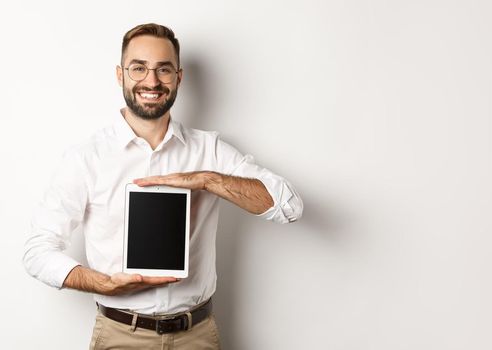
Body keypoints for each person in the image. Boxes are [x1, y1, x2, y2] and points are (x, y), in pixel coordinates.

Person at [22, 23, 303, 349]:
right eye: (138, 68)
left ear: (178, 78)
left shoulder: (209, 150)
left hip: (196, 335)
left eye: (163, 70)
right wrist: (104, 283)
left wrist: (207, 180)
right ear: (120, 74)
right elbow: (37, 251)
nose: (151, 81)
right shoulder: (87, 157)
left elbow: (290, 207)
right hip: (119, 335)